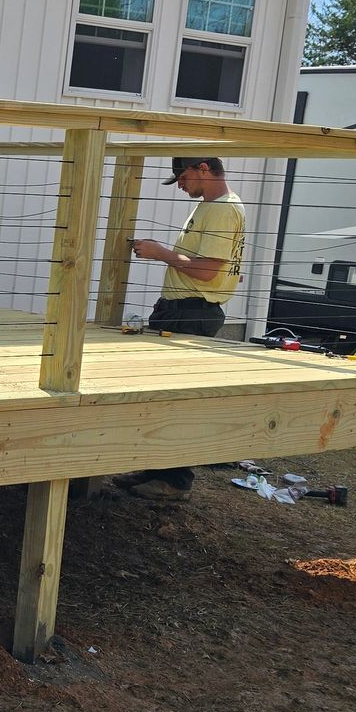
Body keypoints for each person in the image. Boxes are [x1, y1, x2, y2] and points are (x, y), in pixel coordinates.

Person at [113, 155, 246, 501]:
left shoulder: (221, 210)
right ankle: (159, 470)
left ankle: (176, 481)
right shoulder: (214, 206)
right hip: (183, 309)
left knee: (175, 397)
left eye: (183, 177)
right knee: (162, 395)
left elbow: (206, 271)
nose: (181, 185)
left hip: (191, 312)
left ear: (204, 168)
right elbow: (221, 267)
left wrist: (159, 252)